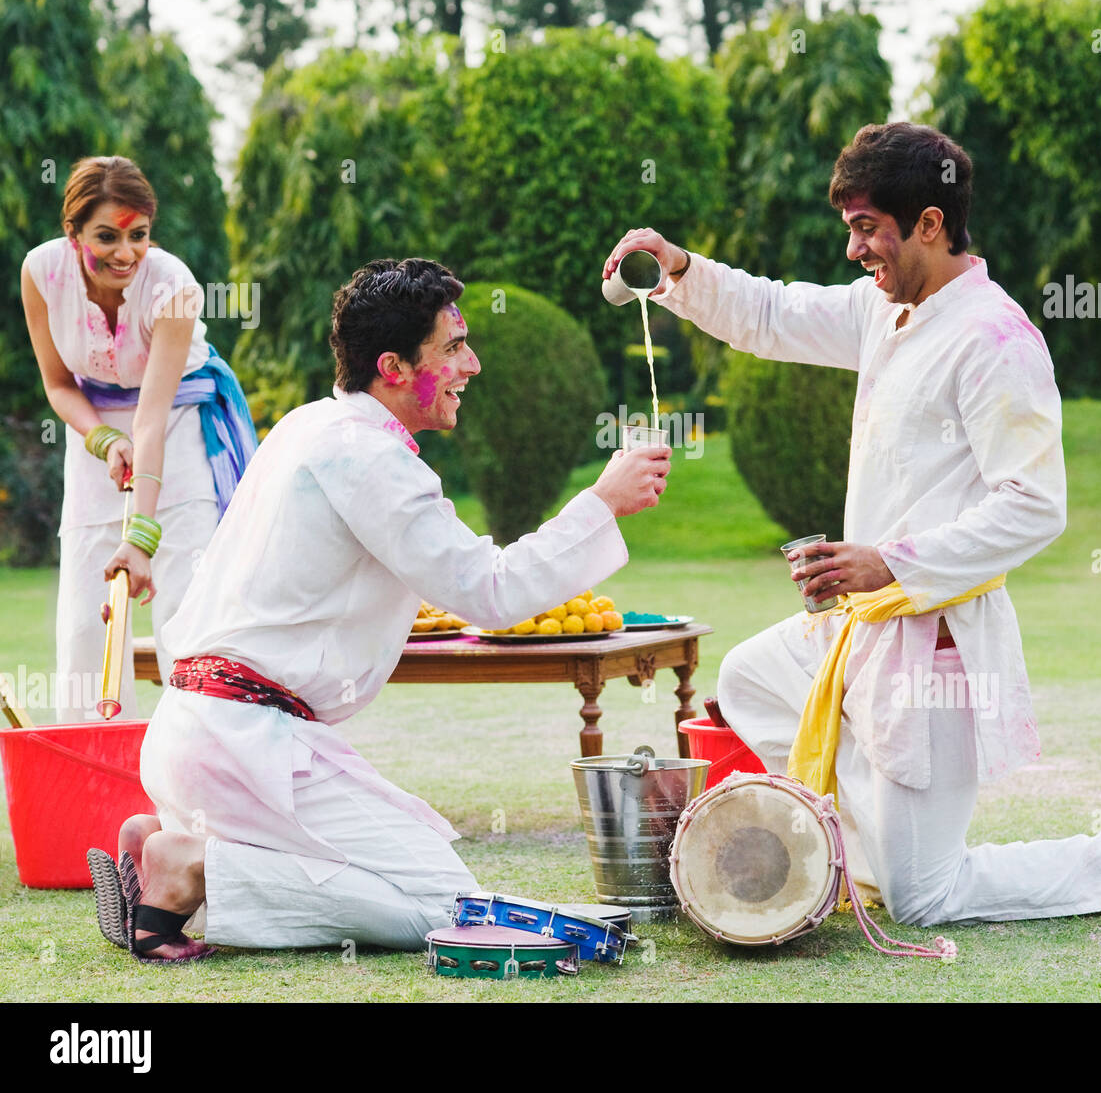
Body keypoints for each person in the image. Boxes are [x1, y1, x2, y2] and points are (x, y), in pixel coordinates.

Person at [600, 121, 1101, 929]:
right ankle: (847, 859)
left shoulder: (997, 338)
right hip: (857, 631)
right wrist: (682, 269)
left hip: (934, 645)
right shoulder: (884, 309)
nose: (856, 249)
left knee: (925, 897)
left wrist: (887, 562)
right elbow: (772, 313)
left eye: (868, 228)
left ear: (929, 224)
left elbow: (1036, 506)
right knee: (752, 676)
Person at [90, 257, 671, 962]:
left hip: (207, 737)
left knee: (406, 872)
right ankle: (191, 866)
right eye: (453, 347)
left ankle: (174, 841)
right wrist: (603, 501)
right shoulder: (369, 457)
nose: (473, 364)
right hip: (241, 744)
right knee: (443, 905)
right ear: (393, 366)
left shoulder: (311, 426)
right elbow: (489, 591)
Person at [21, 156, 256, 722]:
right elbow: (57, 383)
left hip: (178, 426)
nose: (125, 252)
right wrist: (101, 438)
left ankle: (198, 773)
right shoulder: (41, 272)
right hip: (95, 430)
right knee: (85, 618)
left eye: (139, 235)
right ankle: (96, 783)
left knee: (185, 612)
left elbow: (150, 419)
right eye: (107, 235)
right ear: (72, 231)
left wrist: (142, 536)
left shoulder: (172, 285)